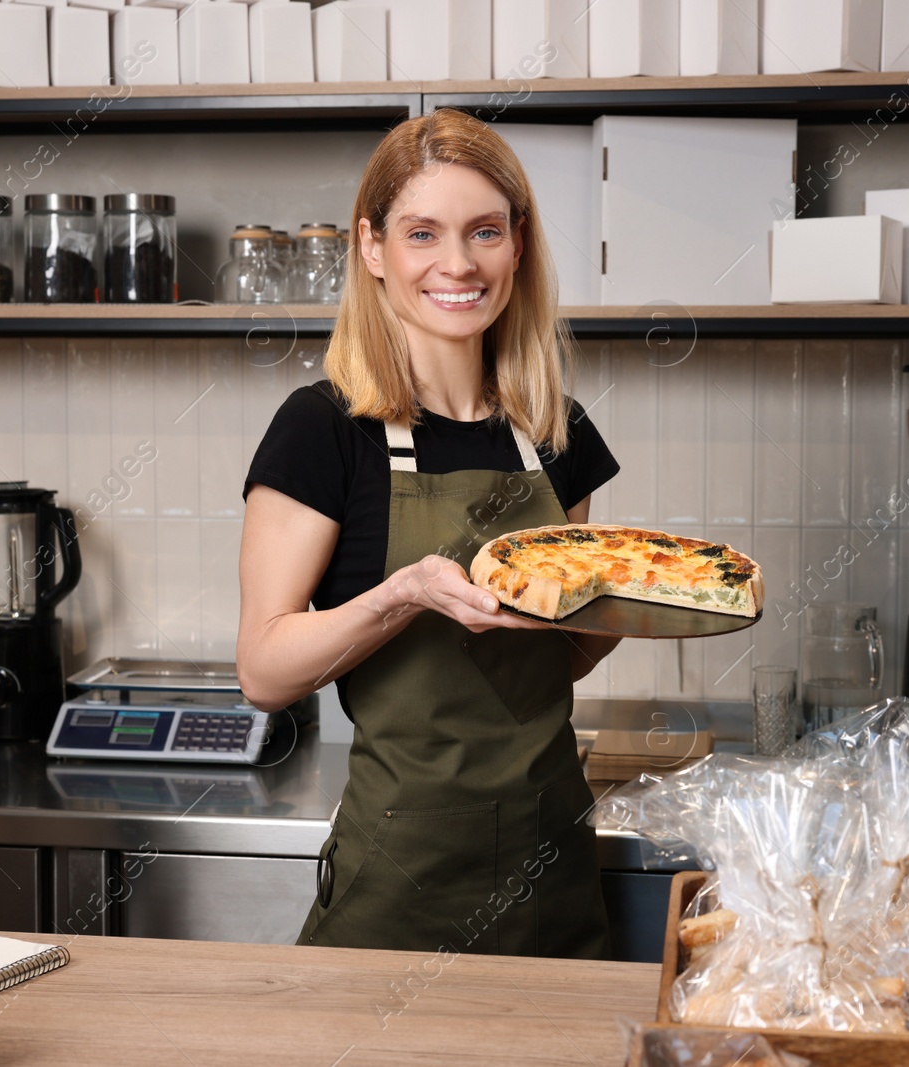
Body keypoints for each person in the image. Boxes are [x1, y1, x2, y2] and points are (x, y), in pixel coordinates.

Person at [237, 110, 621, 959]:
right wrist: (406, 593)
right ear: (372, 247)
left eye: (485, 231)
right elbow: (263, 670)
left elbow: (559, 651)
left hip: (552, 861)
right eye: (423, 233)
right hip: (401, 881)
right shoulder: (325, 430)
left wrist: (632, 603)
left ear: (517, 246)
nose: (459, 263)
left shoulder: (557, 433)